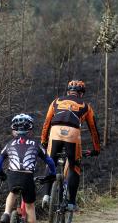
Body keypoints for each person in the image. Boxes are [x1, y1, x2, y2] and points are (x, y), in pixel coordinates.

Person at [0, 113, 56, 223]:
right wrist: (52, 174)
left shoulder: (9, 144)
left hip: (13, 175)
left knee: (12, 193)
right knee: (30, 207)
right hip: (27, 177)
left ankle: (6, 214)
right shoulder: (35, 144)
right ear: (30, 130)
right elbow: (50, 161)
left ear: (13, 130)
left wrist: (0, 172)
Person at [40, 80, 101, 212]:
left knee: (51, 162)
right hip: (73, 134)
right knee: (74, 167)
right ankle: (71, 203)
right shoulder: (86, 106)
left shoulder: (56, 101)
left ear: (68, 91)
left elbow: (46, 123)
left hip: (55, 132)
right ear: (81, 94)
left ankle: (46, 195)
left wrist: (43, 141)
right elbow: (93, 129)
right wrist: (96, 149)